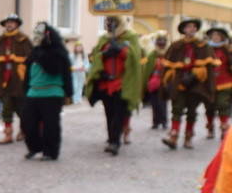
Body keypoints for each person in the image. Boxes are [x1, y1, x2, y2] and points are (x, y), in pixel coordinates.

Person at [84, 15, 142, 156]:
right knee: (109, 112)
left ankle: (115, 142)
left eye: (113, 21)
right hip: (105, 81)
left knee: (118, 112)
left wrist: (121, 50)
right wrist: (104, 53)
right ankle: (112, 138)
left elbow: (135, 56)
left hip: (122, 82)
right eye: (108, 21)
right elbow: (96, 55)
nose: (110, 24)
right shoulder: (104, 39)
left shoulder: (130, 37)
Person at [20, 22, 73, 161]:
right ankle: (34, 147)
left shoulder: (58, 52)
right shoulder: (35, 52)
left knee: (50, 125)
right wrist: (25, 90)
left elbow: (56, 69)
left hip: (52, 93)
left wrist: (69, 93)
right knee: (27, 123)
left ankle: (50, 151)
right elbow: (28, 73)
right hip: (33, 92)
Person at [161, 17, 215, 150]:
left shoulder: (203, 46)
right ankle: (173, 137)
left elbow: (207, 67)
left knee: (192, 112)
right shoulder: (176, 45)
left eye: (194, 27)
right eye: (188, 27)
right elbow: (168, 67)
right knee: (177, 110)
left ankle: (188, 138)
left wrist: (194, 75)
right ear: (184, 30)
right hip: (179, 84)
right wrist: (168, 81)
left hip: (195, 85)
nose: (192, 29)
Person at [0, 13, 32, 144]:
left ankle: (24, 130)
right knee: (6, 107)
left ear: (17, 24)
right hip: (3, 80)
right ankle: (8, 134)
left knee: (22, 107)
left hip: (19, 80)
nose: (9, 24)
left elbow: (30, 60)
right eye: (7, 22)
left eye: (12, 22)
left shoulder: (23, 39)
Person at [204, 26, 232, 139]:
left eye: (218, 35)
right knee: (209, 106)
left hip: (225, 82)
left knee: (222, 104)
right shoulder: (206, 49)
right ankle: (210, 128)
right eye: (213, 35)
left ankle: (224, 129)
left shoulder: (227, 49)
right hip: (209, 83)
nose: (215, 37)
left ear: (222, 37)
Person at [142, 31, 170, 130]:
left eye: (163, 40)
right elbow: (147, 68)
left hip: (165, 82)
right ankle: (156, 121)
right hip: (153, 83)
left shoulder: (169, 54)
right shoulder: (152, 54)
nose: (161, 42)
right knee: (154, 103)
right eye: (159, 40)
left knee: (163, 103)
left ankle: (164, 121)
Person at [70, 41, 89, 105]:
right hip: (75, 73)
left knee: (80, 86)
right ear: (75, 48)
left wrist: (85, 68)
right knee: (75, 86)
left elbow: (87, 64)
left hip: (82, 73)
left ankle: (79, 98)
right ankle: (74, 99)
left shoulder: (84, 55)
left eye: (80, 47)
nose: (79, 48)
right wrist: (76, 68)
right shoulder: (72, 55)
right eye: (77, 47)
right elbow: (69, 65)